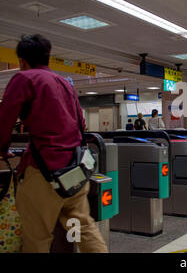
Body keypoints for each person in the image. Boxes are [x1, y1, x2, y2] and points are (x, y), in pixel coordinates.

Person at [0, 34, 107, 252]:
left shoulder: (25, 79)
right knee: (80, 227)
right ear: (47, 57)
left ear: (22, 61)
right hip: (74, 175)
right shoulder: (65, 83)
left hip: (43, 175)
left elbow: (4, 121)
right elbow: (81, 125)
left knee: (38, 237)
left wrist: (2, 149)